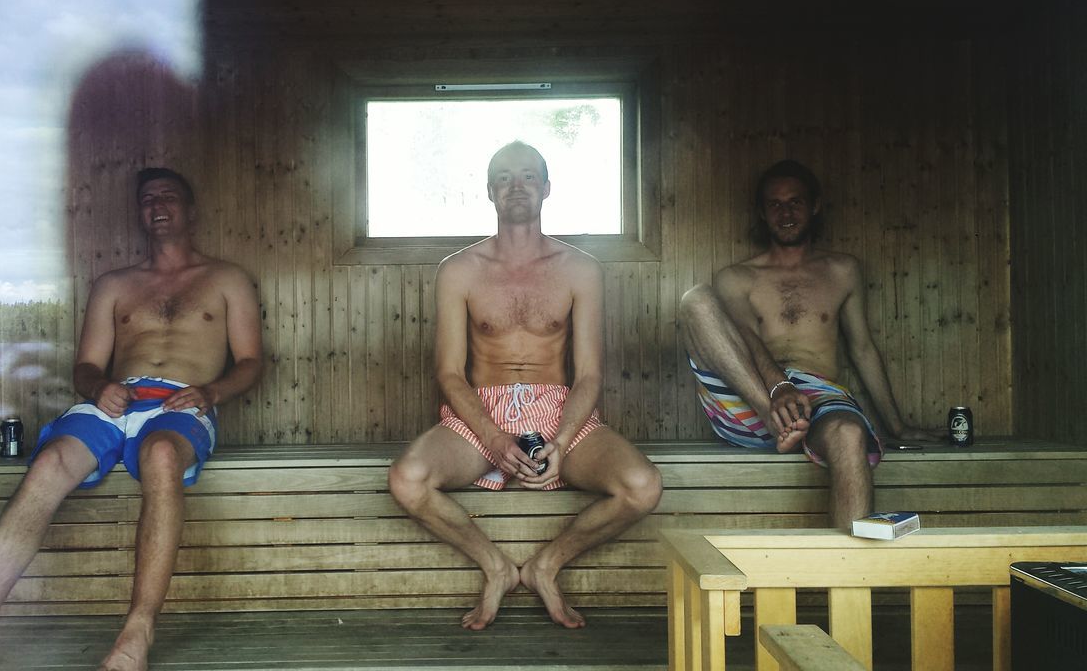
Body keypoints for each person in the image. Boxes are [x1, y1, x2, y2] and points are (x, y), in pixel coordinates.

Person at [0, 168, 263, 671]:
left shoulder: (227, 279)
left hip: (181, 403)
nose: (158, 204)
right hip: (114, 401)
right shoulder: (114, 284)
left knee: (163, 454)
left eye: (169, 196)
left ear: (191, 211)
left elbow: (253, 362)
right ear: (140, 214)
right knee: (48, 464)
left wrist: (211, 392)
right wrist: (98, 386)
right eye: (148, 199)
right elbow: (85, 366)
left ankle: (136, 634)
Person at [388, 141, 663, 630]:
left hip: (558, 410)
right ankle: (495, 567)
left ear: (547, 188)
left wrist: (558, 440)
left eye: (528, 176)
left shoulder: (580, 269)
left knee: (642, 487)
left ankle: (545, 566)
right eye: (504, 177)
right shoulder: (458, 270)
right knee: (407, 479)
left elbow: (590, 374)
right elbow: (449, 372)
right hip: (481, 413)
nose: (517, 186)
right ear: (490, 191)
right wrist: (493, 437)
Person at [678, 159, 944, 530]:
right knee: (696, 300)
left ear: (814, 205)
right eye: (775, 204)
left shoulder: (842, 271)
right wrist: (777, 391)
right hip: (748, 395)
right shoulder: (737, 278)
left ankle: (850, 581)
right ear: (762, 212)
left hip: (817, 396)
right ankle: (776, 421)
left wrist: (896, 426)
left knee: (849, 434)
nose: (785, 213)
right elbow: (747, 339)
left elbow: (862, 348)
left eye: (795, 202)